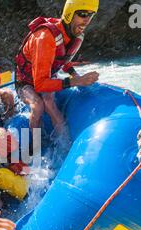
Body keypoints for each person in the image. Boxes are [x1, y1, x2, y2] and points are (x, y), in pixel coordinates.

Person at [15, 0, 100, 134]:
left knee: (50, 104)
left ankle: (64, 145)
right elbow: (40, 85)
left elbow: (62, 60)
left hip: (47, 76)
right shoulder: (45, 38)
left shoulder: (74, 35)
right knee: (38, 106)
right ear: (69, 14)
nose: (87, 20)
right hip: (25, 82)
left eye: (91, 15)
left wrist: (75, 75)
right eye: (83, 14)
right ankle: (34, 145)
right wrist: (76, 81)